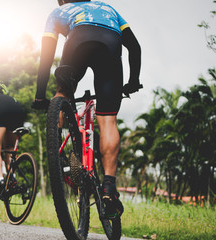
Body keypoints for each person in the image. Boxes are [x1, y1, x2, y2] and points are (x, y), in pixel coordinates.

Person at [32, 0, 142, 218]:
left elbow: (46, 56)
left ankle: (59, 155)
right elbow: (135, 47)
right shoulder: (109, 9)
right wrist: (132, 81)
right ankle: (109, 188)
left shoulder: (59, 11)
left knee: (62, 93)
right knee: (108, 120)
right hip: (111, 46)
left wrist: (40, 94)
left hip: (78, 42)